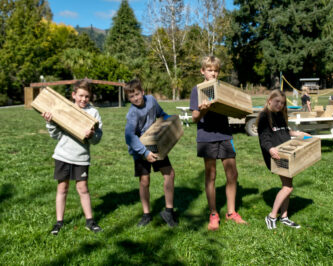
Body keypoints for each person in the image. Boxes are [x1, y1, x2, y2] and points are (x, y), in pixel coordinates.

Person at [190, 56, 247, 231]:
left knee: (232, 174)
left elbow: (234, 107)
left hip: (225, 135)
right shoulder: (197, 90)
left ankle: (231, 212)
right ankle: (214, 214)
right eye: (209, 70)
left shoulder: (222, 88)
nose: (213, 73)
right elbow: (194, 118)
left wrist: (240, 110)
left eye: (215, 70)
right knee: (211, 176)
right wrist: (203, 111)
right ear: (202, 71)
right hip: (206, 137)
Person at [42, 79, 103, 235]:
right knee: (62, 188)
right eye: (81, 96)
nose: (83, 99)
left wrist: (92, 135)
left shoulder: (93, 113)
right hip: (63, 155)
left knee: (82, 188)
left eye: (87, 96)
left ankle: (90, 222)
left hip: (81, 157)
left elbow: (97, 139)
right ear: (74, 95)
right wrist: (50, 122)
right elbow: (55, 135)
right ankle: (59, 223)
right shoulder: (65, 109)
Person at [124, 79, 177, 227]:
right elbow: (129, 137)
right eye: (131, 96)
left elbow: (161, 114)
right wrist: (145, 152)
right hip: (140, 150)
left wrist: (171, 124)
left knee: (169, 174)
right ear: (128, 98)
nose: (135, 98)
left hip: (157, 145)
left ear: (142, 92)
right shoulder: (132, 113)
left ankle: (169, 211)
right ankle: (146, 214)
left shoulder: (152, 100)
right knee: (144, 181)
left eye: (137, 94)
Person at [257, 89, 310, 230]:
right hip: (275, 156)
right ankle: (272, 216)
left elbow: (285, 131)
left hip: (286, 153)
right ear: (269, 101)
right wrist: (270, 149)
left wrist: (298, 134)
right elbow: (264, 137)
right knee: (288, 187)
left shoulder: (280, 115)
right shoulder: (264, 116)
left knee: (288, 184)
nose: (280, 105)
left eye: (282, 103)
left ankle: (284, 216)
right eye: (277, 102)